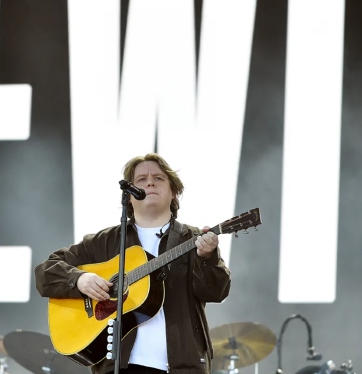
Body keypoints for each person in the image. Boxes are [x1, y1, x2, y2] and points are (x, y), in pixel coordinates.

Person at [35, 153, 231, 374]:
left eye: (158, 178)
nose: (150, 182)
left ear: (174, 192)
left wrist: (207, 258)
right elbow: (44, 272)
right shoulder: (105, 242)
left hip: (182, 367)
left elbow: (217, 292)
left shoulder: (193, 239)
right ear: (129, 196)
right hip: (118, 367)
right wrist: (79, 279)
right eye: (141, 179)